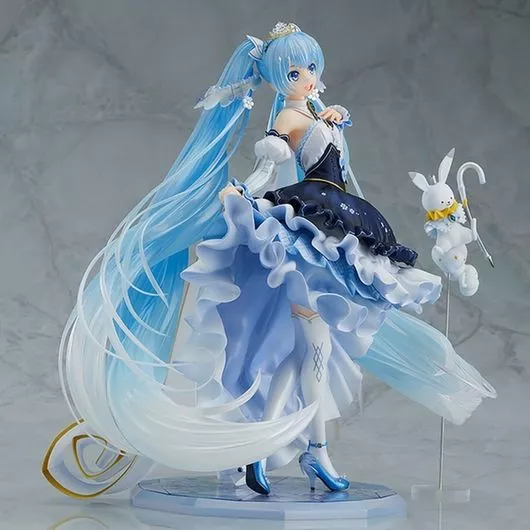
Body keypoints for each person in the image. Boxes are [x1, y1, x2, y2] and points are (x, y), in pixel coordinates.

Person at [42, 22, 496, 499]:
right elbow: (268, 164)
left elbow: (335, 157)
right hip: (312, 224)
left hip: (337, 214)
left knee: (309, 351)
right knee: (314, 347)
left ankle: (273, 448)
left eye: (312, 68)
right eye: (295, 72)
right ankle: (309, 450)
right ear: (279, 77)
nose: (307, 77)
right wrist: (243, 191)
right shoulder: (288, 118)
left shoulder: (318, 112)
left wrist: (333, 117)